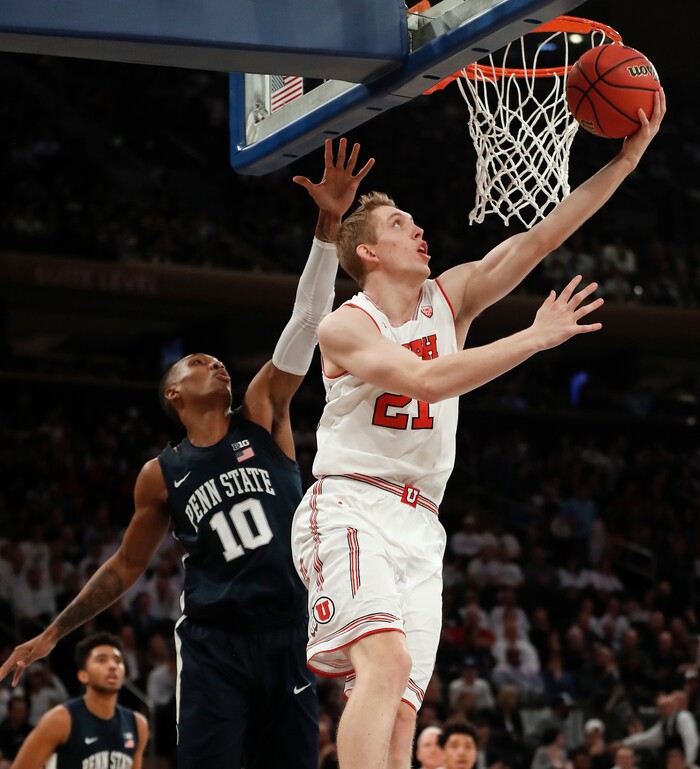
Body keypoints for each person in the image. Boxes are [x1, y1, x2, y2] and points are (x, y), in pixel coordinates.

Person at [290, 91, 665, 769]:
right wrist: (534, 337)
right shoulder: (343, 325)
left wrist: (628, 158)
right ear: (369, 249)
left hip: (421, 524)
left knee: (403, 706)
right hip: (351, 503)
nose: (418, 229)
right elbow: (430, 380)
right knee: (386, 658)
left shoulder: (451, 296)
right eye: (402, 224)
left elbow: (544, 234)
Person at [0, 138, 374, 769]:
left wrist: (328, 225)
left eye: (216, 357)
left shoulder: (262, 414)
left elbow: (307, 323)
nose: (214, 361)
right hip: (214, 644)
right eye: (197, 361)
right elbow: (123, 568)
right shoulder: (161, 474)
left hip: (289, 627)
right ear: (175, 394)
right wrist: (53, 633)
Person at [10, 632, 149, 769]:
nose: (113, 666)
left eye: (118, 661)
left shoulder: (138, 725)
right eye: (101, 660)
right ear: (83, 675)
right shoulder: (61, 719)